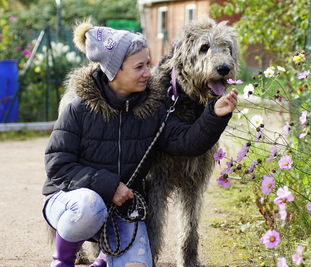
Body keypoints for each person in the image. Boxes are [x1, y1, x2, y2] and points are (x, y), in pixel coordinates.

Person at [42, 22, 238, 267]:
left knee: (138, 263)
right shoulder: (77, 106)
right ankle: (64, 256)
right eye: (140, 67)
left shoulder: (152, 107)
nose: (150, 72)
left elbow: (184, 142)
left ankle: (105, 256)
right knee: (88, 206)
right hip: (81, 201)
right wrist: (109, 185)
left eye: (149, 64)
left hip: (121, 204)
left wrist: (215, 116)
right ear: (115, 70)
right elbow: (58, 167)